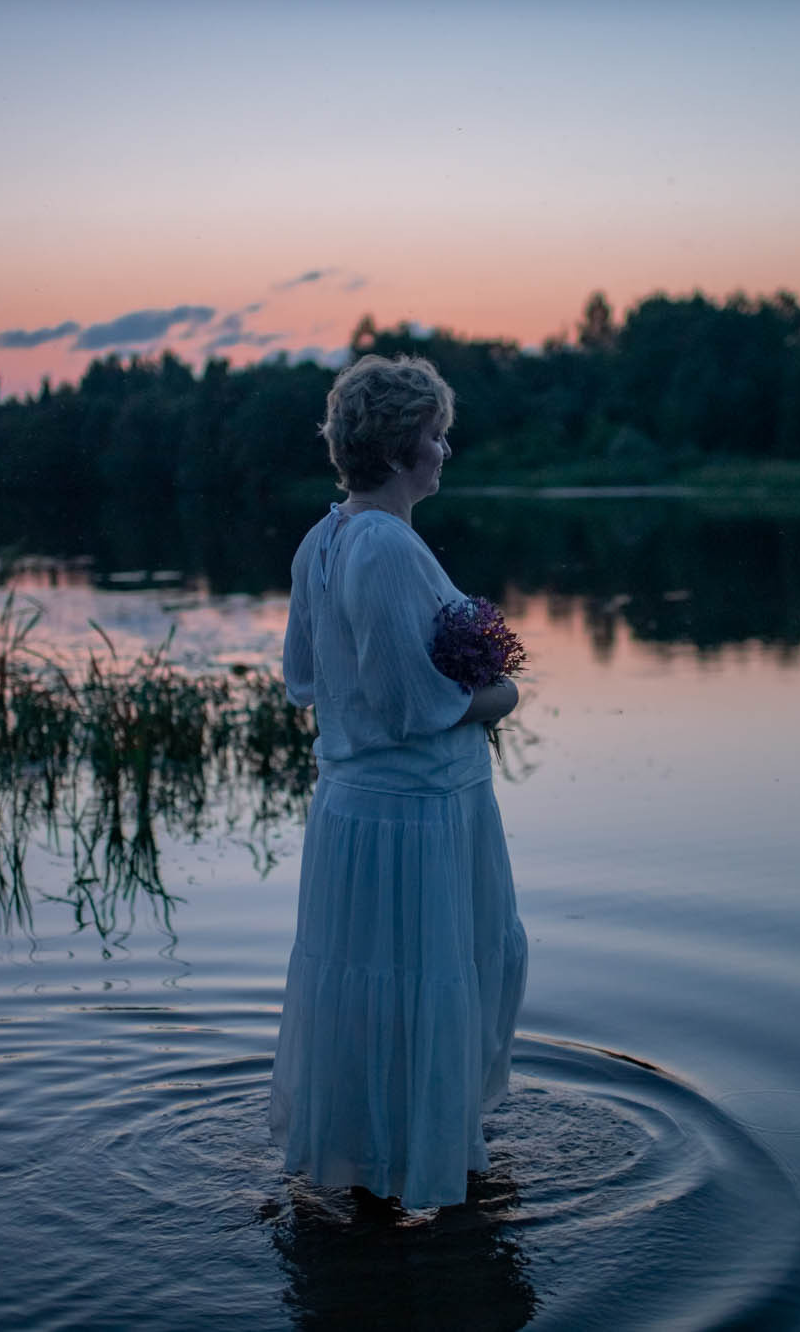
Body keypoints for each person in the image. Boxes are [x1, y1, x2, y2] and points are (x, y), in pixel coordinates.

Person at [270, 353, 529, 1210]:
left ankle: (377, 1173)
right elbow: (409, 702)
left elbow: (305, 678)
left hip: (365, 815)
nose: (445, 449)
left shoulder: (326, 538)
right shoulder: (382, 546)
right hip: (411, 821)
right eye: (434, 434)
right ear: (397, 447)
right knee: (427, 991)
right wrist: (500, 691)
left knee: (384, 998)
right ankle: (419, 1176)